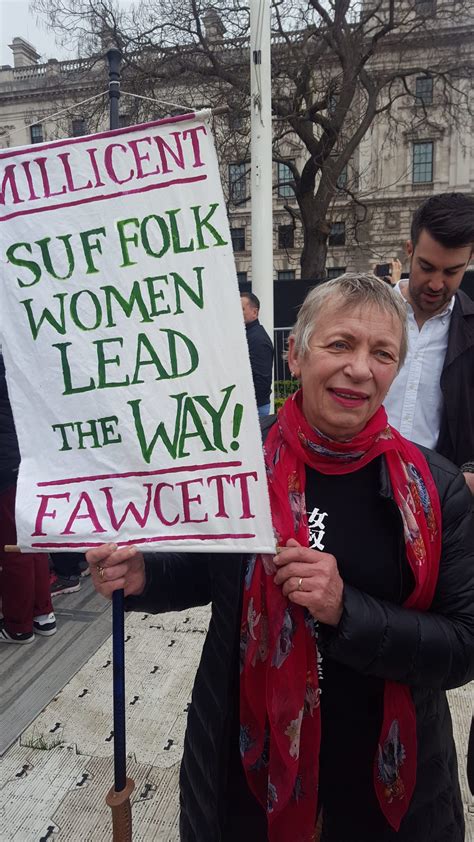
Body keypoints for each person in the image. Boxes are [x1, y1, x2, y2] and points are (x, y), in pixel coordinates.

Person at [87, 275, 474, 842]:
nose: (361, 368)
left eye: (382, 353)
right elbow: (212, 567)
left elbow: (463, 646)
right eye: (340, 344)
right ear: (295, 351)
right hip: (244, 775)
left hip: (383, 791)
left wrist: (348, 609)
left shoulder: (436, 490)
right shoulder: (237, 463)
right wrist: (147, 574)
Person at [383, 192, 474, 494]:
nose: (437, 284)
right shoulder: (366, 315)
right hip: (358, 487)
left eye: (451, 272)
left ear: (468, 261)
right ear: (409, 250)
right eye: (426, 267)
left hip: (438, 499)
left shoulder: (470, 329)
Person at [0, 353, 56, 643]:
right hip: (25, 457)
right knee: (30, 541)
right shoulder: (15, 356)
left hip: (6, 463)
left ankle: (18, 625)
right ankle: (42, 614)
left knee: (12, 548)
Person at [240, 291, 274, 417]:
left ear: (255, 313)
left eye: (242, 309)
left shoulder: (258, 339)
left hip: (254, 408)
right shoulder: (250, 335)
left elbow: (262, 382)